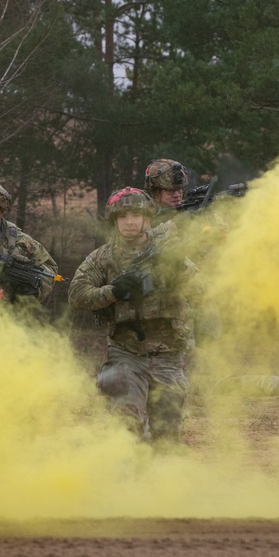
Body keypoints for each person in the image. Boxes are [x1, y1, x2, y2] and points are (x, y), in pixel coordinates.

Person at [68, 187, 202, 445]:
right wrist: (113, 292)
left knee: (166, 436)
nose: (129, 221)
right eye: (123, 216)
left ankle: (163, 481)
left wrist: (179, 271)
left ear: (147, 219)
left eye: (136, 215)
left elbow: (202, 290)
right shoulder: (102, 258)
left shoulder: (168, 252)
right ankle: (129, 481)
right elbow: (76, 295)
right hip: (125, 352)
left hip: (168, 355)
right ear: (114, 221)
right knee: (126, 427)